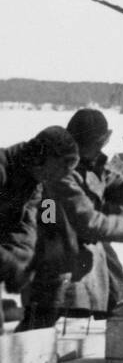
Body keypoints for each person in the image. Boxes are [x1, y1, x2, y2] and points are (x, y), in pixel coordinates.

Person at [18, 110, 123, 330]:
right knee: (46, 307)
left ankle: (116, 302)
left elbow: (113, 184)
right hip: (45, 241)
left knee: (96, 251)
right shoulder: (59, 168)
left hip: (64, 243)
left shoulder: (91, 164)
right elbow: (87, 222)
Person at [0, 128, 79, 334]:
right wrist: (10, 264)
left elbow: (26, 226)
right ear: (40, 158)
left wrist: (22, 260)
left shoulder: (34, 184)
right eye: (61, 167)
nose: (62, 174)